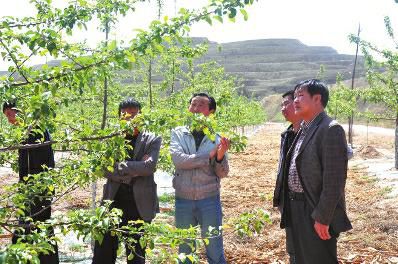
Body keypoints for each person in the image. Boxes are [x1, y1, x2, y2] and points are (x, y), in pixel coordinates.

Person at [284, 79, 352, 264]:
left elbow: (334, 181)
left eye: (300, 96)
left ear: (317, 99)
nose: (295, 100)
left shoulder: (330, 129)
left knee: (318, 258)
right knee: (302, 258)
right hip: (296, 206)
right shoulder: (304, 128)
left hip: (314, 208)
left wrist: (323, 217)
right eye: (295, 95)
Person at [92, 98, 162, 264]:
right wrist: (135, 169)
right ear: (119, 117)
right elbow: (103, 168)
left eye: (134, 114)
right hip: (113, 201)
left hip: (139, 203)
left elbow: (149, 166)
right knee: (104, 251)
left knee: (136, 253)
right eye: (126, 115)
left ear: (141, 115)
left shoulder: (152, 138)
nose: (130, 119)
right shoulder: (111, 138)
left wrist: (118, 167)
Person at [170, 93, 230, 264]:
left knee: (214, 248)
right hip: (183, 200)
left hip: (209, 199)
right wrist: (209, 155)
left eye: (201, 105)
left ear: (211, 112)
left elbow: (223, 173)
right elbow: (178, 160)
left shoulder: (217, 138)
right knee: (185, 250)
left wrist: (219, 157)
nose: (196, 108)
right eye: (193, 104)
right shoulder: (178, 133)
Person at [3, 101, 59, 263]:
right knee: (30, 224)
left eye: (9, 114)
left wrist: (36, 188)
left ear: (19, 110)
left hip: (38, 189)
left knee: (39, 225)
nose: (9, 119)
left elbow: (43, 162)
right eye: (6, 116)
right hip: (29, 188)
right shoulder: (25, 131)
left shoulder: (35, 129)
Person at [272, 90, 302, 263]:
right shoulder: (287, 134)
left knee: (309, 246)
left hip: (305, 202)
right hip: (288, 200)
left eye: (286, 103)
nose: (283, 108)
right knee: (293, 246)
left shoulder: (313, 132)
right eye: (281, 104)